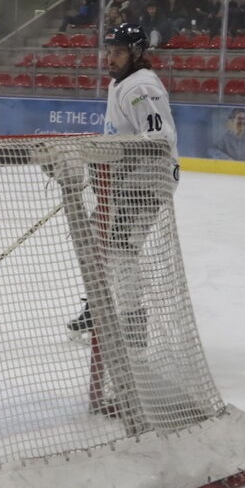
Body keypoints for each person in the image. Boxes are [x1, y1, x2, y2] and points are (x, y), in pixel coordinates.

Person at [67, 23, 178, 343]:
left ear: (137, 54)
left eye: (118, 53)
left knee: (119, 249)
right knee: (93, 238)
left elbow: (159, 139)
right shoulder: (120, 82)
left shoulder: (141, 87)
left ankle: (133, 323)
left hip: (147, 179)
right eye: (108, 52)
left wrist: (113, 161)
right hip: (125, 179)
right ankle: (99, 306)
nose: (110, 58)